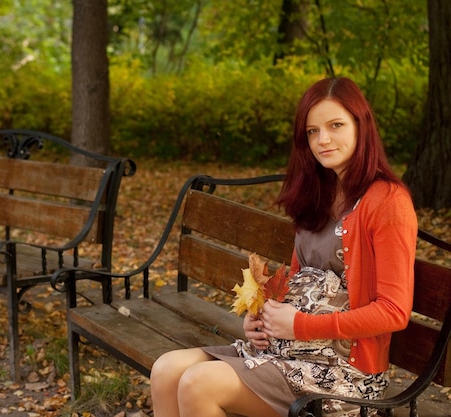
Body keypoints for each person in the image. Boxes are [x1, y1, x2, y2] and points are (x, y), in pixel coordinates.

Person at [149, 77, 418, 417]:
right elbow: (295, 279)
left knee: (197, 383)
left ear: (361, 126)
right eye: (312, 131)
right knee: (166, 369)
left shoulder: (388, 202)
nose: (323, 140)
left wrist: (301, 326)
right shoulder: (320, 193)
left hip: (346, 372)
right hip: (290, 350)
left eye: (336, 125)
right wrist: (260, 318)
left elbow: (394, 311)